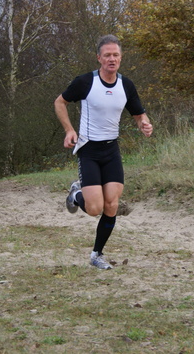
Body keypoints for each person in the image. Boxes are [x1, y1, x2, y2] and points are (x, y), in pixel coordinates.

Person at [54, 35, 153, 270]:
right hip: (88, 150)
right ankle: (76, 194)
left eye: (115, 55)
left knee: (112, 205)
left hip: (111, 150)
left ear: (120, 58)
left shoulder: (126, 85)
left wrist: (145, 125)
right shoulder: (85, 82)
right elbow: (60, 102)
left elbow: (139, 114)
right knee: (95, 208)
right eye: (107, 55)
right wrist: (69, 130)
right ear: (99, 58)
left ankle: (97, 254)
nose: (112, 59)